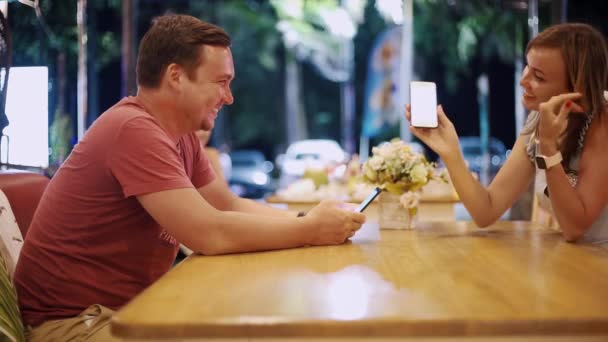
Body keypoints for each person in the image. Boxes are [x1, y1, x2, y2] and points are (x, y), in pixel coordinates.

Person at [14, 14, 365, 341]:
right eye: (221, 83)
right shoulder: (133, 129)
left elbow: (226, 203)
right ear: (176, 77)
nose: (228, 98)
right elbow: (207, 233)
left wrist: (308, 222)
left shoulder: (179, 134)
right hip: (71, 323)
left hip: (127, 309)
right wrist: (310, 230)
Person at [406, 23, 608, 244]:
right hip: (572, 262)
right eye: (527, 67)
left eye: (538, 77)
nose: (523, 81)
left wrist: (548, 148)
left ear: (575, 90)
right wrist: (451, 152)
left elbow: (574, 228)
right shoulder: (539, 119)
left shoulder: (601, 122)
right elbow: (487, 210)